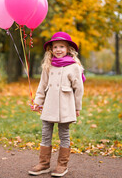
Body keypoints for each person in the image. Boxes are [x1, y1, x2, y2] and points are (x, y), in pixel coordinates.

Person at [28, 31, 85, 177]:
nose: (58, 50)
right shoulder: (48, 66)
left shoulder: (74, 67)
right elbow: (42, 86)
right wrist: (37, 102)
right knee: (45, 133)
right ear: (51, 50)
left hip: (66, 107)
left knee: (64, 134)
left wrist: (77, 107)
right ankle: (44, 164)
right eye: (55, 47)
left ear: (68, 49)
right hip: (49, 107)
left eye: (61, 47)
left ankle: (62, 165)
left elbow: (79, 89)